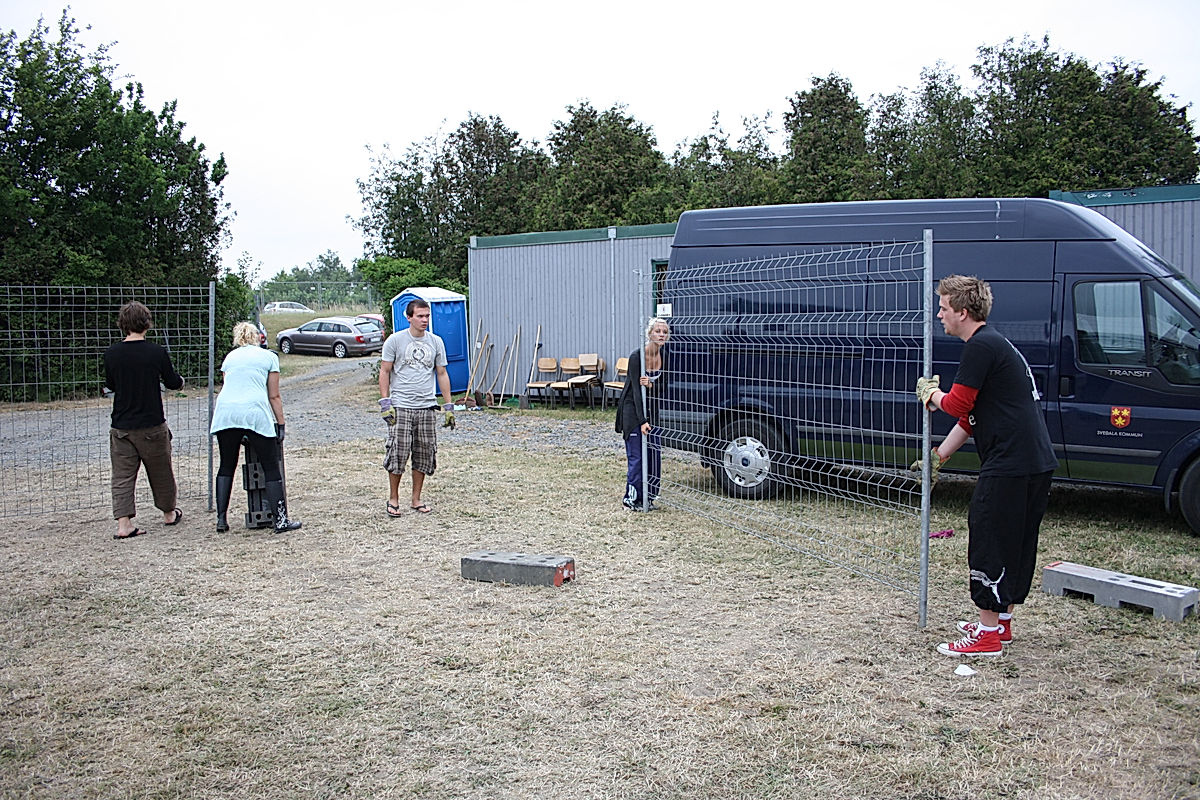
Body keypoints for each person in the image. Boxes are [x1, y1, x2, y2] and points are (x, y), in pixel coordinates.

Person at [916, 275, 1057, 657]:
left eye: (944, 308)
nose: (939, 315)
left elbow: (957, 406)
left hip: (1011, 463)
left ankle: (987, 634)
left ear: (963, 312)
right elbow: (970, 418)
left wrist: (933, 395)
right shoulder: (996, 344)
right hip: (1034, 462)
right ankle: (1001, 622)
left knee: (990, 536)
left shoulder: (980, 347)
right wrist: (937, 457)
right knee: (1015, 541)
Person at [104, 301, 185, 539]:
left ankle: (124, 524)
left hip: (121, 426)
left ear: (122, 325)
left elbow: (111, 385)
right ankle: (169, 513)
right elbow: (172, 381)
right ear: (147, 323)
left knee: (122, 476)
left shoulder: (111, 354)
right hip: (151, 423)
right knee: (161, 471)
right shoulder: (156, 352)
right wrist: (179, 382)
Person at [210, 322, 301, 533]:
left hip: (226, 413)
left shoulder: (230, 358)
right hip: (254, 412)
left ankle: (221, 519)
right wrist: (280, 423)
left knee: (226, 465)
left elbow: (229, 385)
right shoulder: (269, 357)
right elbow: (274, 395)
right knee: (270, 468)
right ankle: (280, 520)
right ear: (258, 337)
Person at [379, 299, 455, 516]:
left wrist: (448, 405)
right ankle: (393, 498)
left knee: (424, 453)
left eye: (427, 316)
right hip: (401, 406)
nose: (424, 320)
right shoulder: (395, 341)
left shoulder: (436, 342)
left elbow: (441, 373)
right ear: (409, 317)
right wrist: (385, 402)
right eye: (420, 316)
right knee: (398, 453)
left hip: (427, 406)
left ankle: (416, 498)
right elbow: (385, 371)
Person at [616, 317, 670, 511]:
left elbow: (664, 387)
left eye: (664, 332)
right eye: (658, 331)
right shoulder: (636, 356)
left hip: (652, 412)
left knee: (654, 455)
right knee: (637, 457)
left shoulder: (666, 356)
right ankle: (630, 500)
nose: (661, 335)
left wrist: (652, 384)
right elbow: (637, 392)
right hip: (633, 411)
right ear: (649, 334)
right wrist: (642, 420)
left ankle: (648, 498)